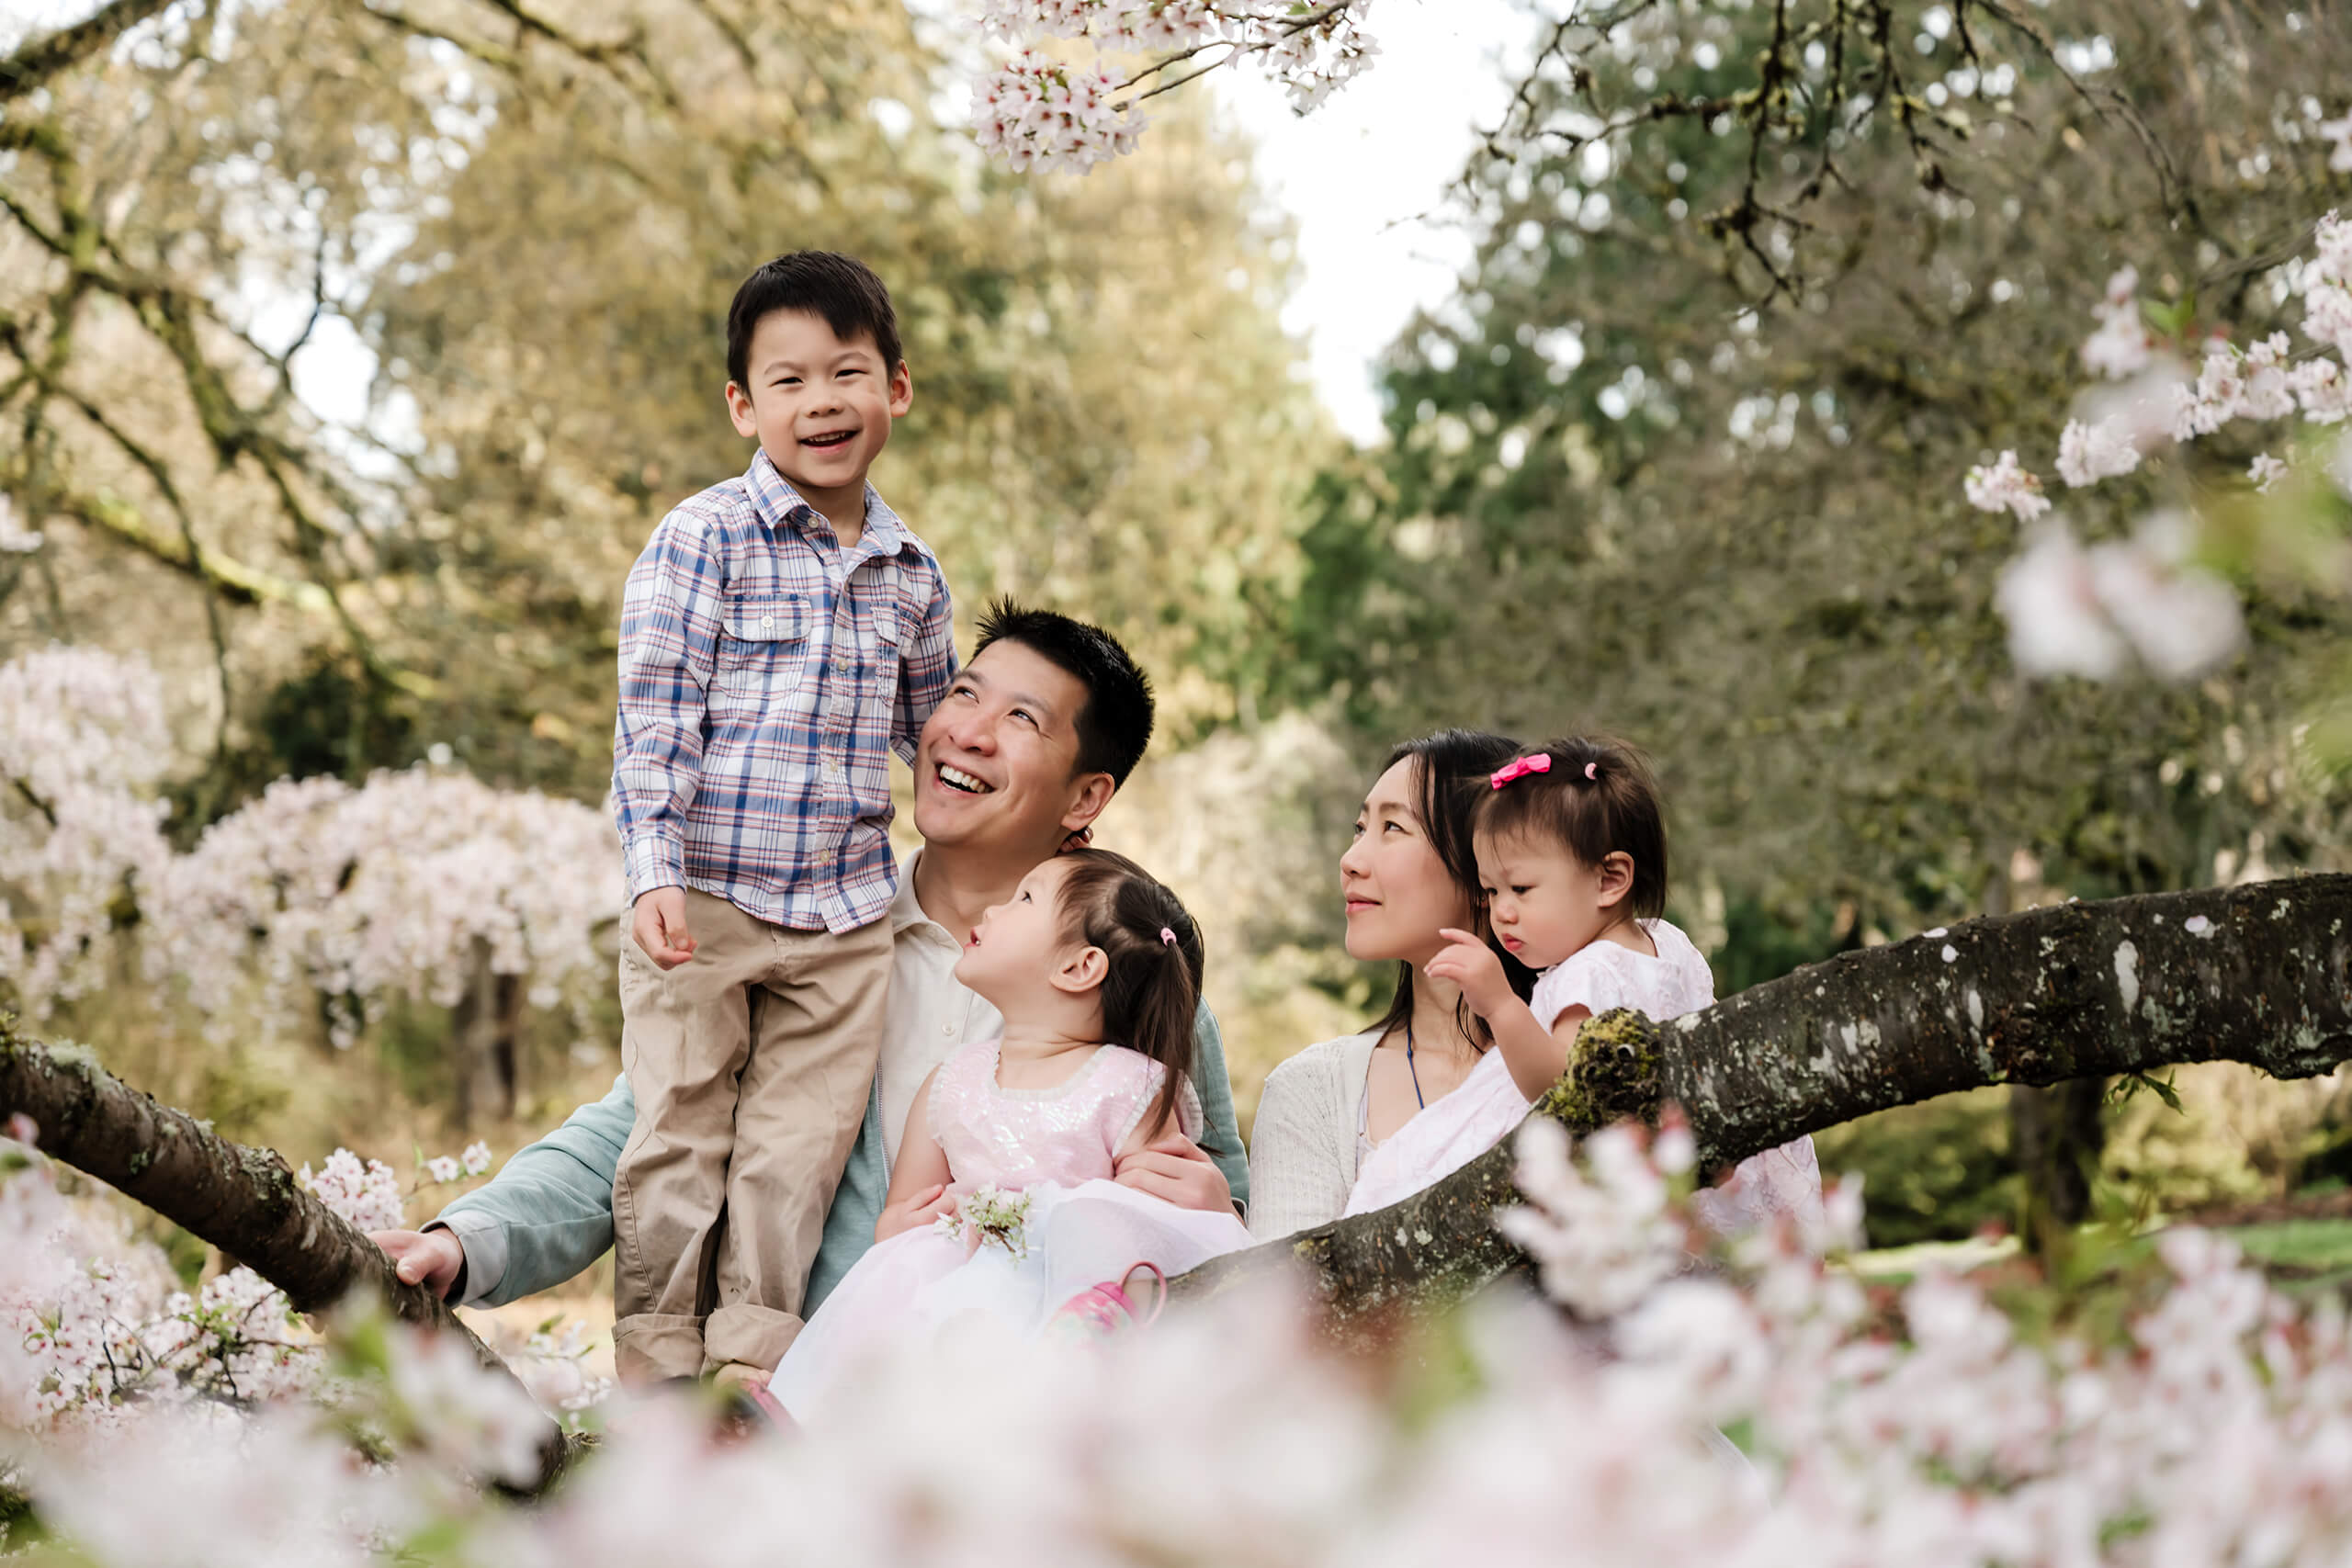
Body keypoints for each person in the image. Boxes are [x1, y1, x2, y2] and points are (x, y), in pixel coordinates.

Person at [369, 604, 1249, 1382]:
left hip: (1023, 1458)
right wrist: (466, 1238)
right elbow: (644, 1130)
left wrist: (1218, 1211)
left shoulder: (1140, 983)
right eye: (964, 695)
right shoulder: (799, 944)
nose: (969, 732)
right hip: (791, 1409)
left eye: (1022, 718)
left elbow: (1222, 1233)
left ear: (1087, 793)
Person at [597, 249, 959, 1387]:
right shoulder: (701, 538)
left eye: (847, 374)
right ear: (743, 406)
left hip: (844, 917)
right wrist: (653, 867)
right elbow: (652, 721)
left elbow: (933, 736)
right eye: (789, 382)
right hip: (702, 898)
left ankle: (750, 1360)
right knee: (678, 1134)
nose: (823, 404)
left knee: (793, 1154)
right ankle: (656, 1359)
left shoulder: (911, 571)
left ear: (895, 389)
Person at [1245, 731, 1817, 1237]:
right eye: (1359, 827)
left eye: (1392, 827)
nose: (1349, 859)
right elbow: (1289, 1320)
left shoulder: (1596, 999)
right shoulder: (1313, 1093)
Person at [770, 851, 1251, 1424]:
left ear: (1078, 967)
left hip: (1065, 1309)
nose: (995, 910)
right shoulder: (953, 1082)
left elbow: (1147, 1226)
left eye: (1024, 898)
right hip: (948, 1291)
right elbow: (904, 1207)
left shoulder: (1131, 1085)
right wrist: (900, 1226)